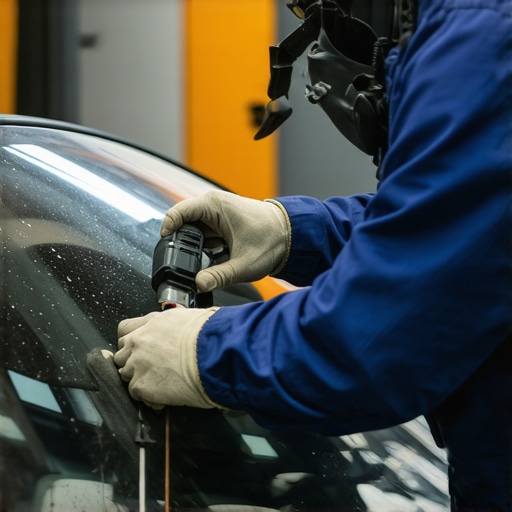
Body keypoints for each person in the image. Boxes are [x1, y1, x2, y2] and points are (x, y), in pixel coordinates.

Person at [114, 0, 512, 509]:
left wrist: (206, 353)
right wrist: (292, 232)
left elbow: (380, 341)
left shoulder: (479, 33)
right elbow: (471, 229)